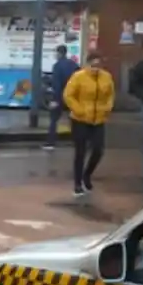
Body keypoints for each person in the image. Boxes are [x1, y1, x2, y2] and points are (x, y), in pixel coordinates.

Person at [62, 50, 115, 197]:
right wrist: (78, 110)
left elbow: (110, 95)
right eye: (93, 64)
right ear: (88, 64)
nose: (96, 68)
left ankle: (87, 174)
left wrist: (107, 108)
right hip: (80, 119)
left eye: (98, 65)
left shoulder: (107, 77)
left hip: (98, 119)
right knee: (80, 151)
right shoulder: (78, 77)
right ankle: (77, 183)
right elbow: (68, 95)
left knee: (98, 150)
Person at [44, 44, 79, 150]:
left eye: (56, 53)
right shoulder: (74, 65)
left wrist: (55, 99)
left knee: (54, 119)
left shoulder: (57, 66)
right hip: (73, 96)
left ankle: (51, 143)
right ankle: (78, 141)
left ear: (59, 53)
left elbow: (57, 84)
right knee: (76, 119)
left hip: (61, 96)